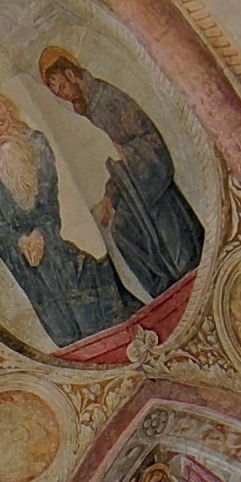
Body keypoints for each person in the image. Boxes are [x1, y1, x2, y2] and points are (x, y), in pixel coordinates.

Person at [36, 47, 204, 305]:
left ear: (71, 73)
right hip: (130, 187)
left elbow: (148, 138)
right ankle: (164, 294)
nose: (63, 94)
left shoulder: (107, 98)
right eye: (56, 92)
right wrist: (109, 197)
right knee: (122, 231)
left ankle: (186, 284)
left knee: (178, 249)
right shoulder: (87, 110)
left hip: (151, 184)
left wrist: (128, 153)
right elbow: (108, 161)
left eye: (62, 86)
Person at [0, 92, 132, 347]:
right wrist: (18, 242)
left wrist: (42, 233)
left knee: (82, 278)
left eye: (1, 123)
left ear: (13, 116)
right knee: (53, 306)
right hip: (25, 252)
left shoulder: (36, 144)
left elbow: (49, 196)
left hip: (53, 235)